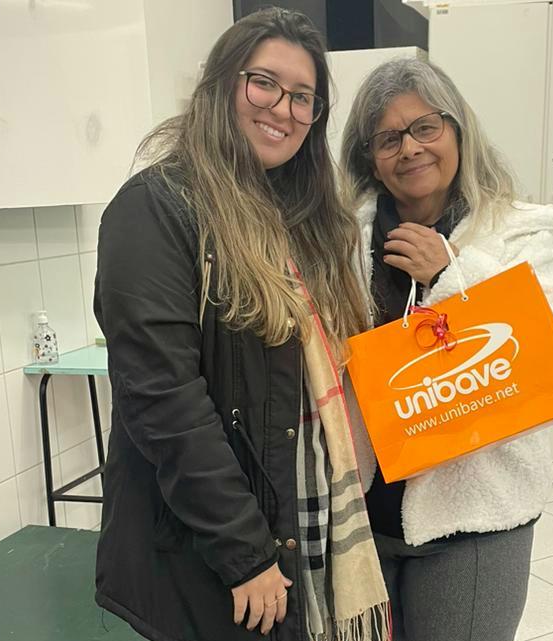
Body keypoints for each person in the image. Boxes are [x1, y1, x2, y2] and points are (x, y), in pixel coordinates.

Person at [93, 9, 389, 641]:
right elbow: (163, 399)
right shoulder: (157, 207)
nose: (283, 109)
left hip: (299, 515)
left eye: (303, 97)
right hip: (211, 547)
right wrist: (245, 552)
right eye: (264, 83)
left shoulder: (302, 219)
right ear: (222, 84)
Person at [340, 57, 553, 641]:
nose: (410, 148)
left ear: (457, 130)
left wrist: (453, 273)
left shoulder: (517, 228)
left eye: (425, 127)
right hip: (361, 517)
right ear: (370, 158)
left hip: (475, 516)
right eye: (388, 139)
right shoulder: (342, 237)